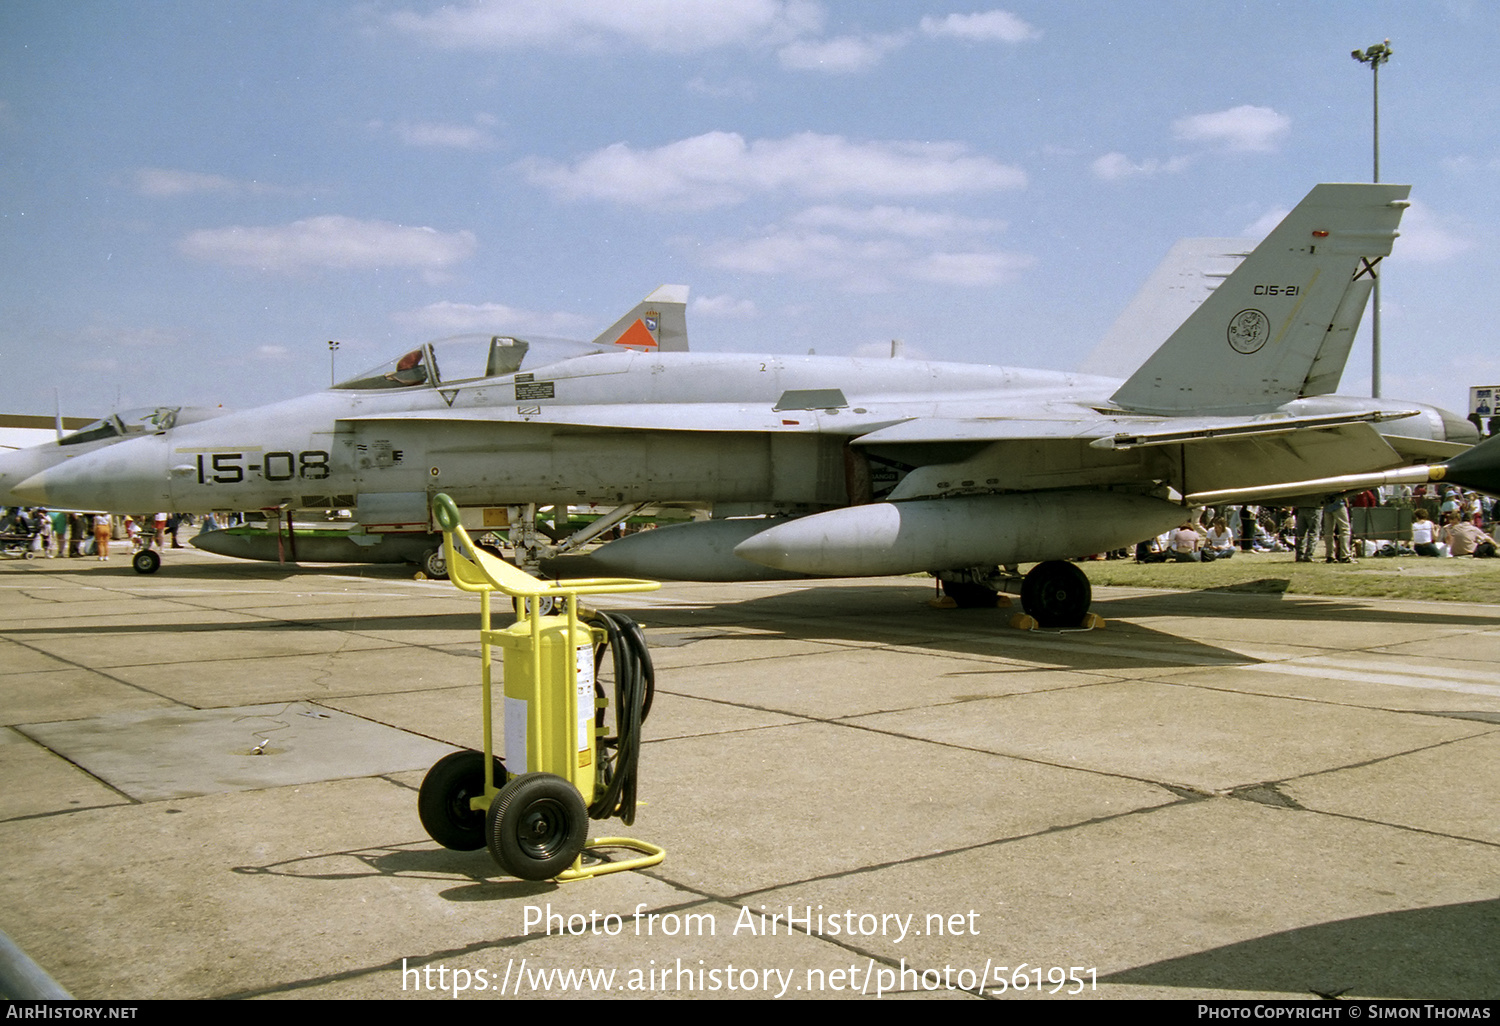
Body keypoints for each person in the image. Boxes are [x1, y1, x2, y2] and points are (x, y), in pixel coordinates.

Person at [1322, 495, 1354, 563]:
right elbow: (1342, 490)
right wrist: (1346, 502)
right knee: (1345, 529)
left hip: (1327, 504)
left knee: (1328, 531)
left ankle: (1330, 555)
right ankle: (1345, 555)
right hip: (1338, 504)